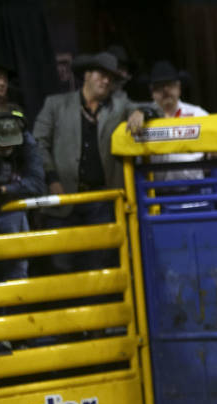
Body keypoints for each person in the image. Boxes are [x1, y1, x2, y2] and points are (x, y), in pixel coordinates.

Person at [32, 51, 150, 272]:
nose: (105, 81)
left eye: (110, 77)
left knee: (101, 265)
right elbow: (38, 143)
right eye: (100, 74)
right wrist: (52, 179)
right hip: (63, 200)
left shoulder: (118, 104)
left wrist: (140, 112)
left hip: (102, 201)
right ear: (86, 75)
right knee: (62, 265)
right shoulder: (56, 105)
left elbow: (151, 108)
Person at [0, 108, 44, 285]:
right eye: (2, 139)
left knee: (16, 275)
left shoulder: (26, 141)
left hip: (12, 215)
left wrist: (6, 189)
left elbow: (38, 184)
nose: (7, 145)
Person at [146, 60, 209, 184]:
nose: (165, 90)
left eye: (170, 84)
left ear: (179, 87)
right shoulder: (143, 117)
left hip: (195, 191)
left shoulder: (198, 114)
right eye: (159, 87)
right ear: (152, 92)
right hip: (155, 195)